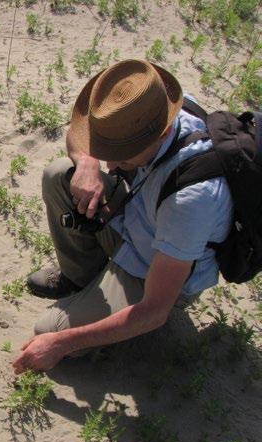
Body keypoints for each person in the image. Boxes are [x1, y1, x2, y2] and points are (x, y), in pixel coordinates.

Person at [12, 59, 233, 374]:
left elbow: (155, 310)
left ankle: (105, 302)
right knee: (61, 173)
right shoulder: (146, 109)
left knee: (49, 332)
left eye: (122, 156)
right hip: (137, 219)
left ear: (164, 131)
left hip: (152, 270)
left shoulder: (191, 200)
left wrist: (63, 343)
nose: (111, 167)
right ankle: (81, 277)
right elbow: (79, 133)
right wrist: (86, 161)